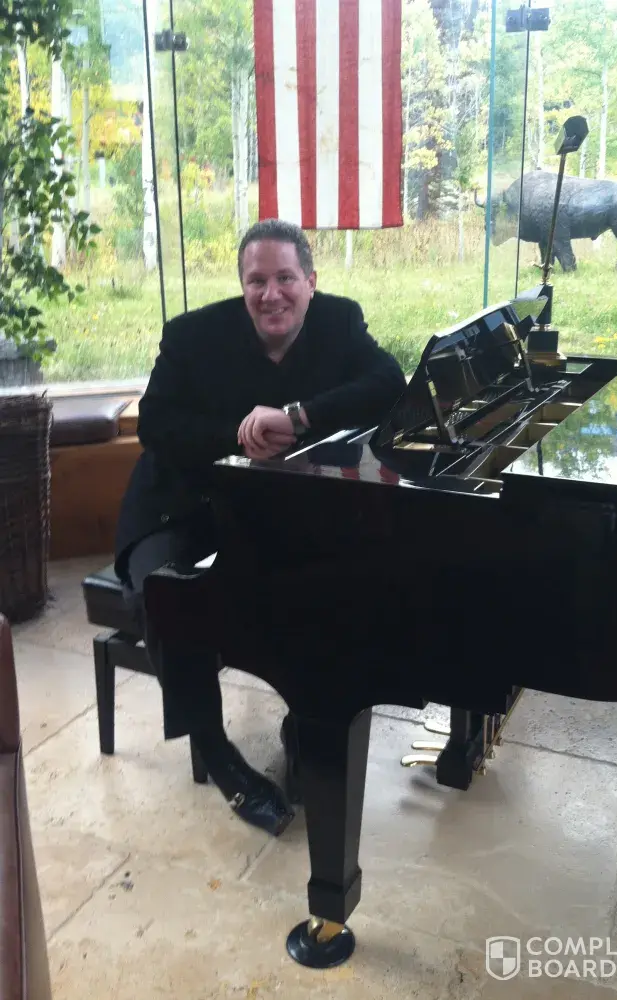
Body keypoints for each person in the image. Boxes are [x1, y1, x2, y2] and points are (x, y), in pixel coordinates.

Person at [114, 218, 407, 836]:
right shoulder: (191, 335)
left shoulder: (339, 321)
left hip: (271, 507)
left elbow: (389, 384)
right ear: (242, 285)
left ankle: (305, 727)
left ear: (310, 282)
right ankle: (218, 754)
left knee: (338, 583)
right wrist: (238, 436)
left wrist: (298, 416)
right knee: (167, 593)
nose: (271, 294)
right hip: (180, 502)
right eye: (256, 281)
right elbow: (155, 426)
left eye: (285, 279)